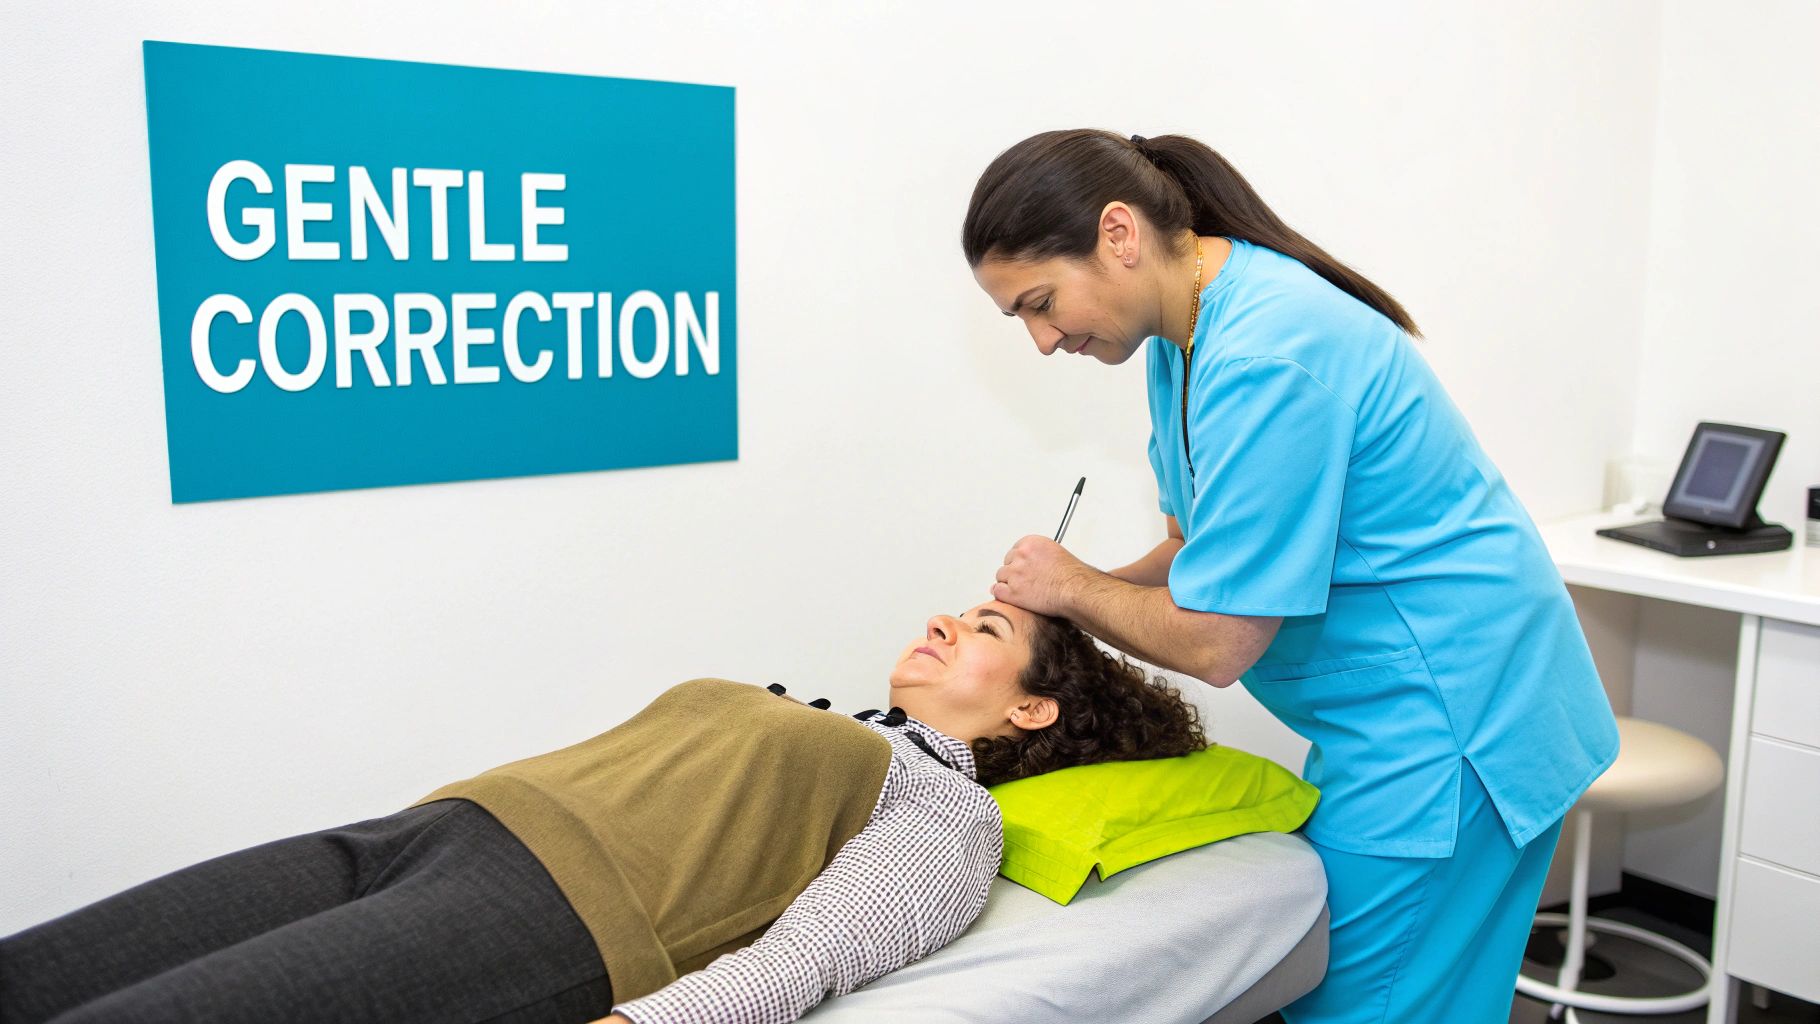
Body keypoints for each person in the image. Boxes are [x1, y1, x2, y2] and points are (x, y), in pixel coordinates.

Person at [963, 129, 1621, 1023]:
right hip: (1395, 714)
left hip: (1458, 721)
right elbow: (1199, 551)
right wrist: (1063, 603)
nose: (1042, 341)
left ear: (1118, 234)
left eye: (1040, 304)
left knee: (1365, 1005)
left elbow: (1216, 638)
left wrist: (1073, 588)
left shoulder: (1269, 353)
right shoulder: (1177, 338)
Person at [0, 600, 1206, 1024]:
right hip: (432, 827)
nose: (942, 622)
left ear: (1033, 715)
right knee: (39, 972)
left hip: (540, 920)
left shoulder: (947, 810)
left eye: (983, 630)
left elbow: (810, 957)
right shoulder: (830, 717)